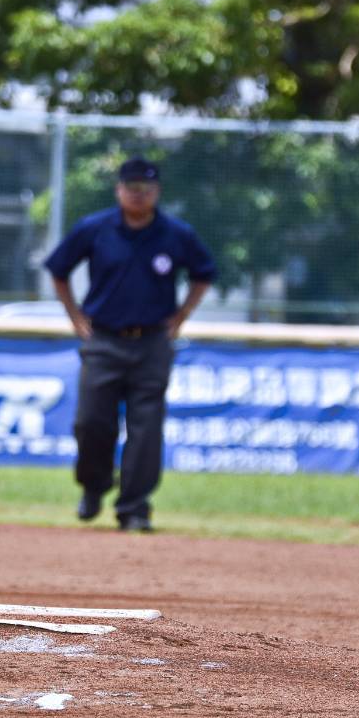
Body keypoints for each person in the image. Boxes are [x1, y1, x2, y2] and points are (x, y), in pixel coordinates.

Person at [44, 156, 216, 533]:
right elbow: (58, 270)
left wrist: (181, 315)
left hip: (153, 342)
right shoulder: (95, 228)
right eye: (131, 188)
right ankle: (94, 485)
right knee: (91, 422)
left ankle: (135, 507)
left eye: (146, 189)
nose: (138, 196)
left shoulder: (176, 233)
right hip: (103, 339)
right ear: (119, 189)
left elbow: (204, 273)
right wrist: (76, 318)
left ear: (157, 193)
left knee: (146, 427)